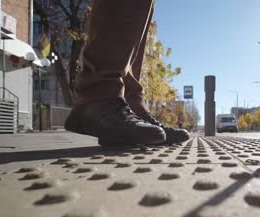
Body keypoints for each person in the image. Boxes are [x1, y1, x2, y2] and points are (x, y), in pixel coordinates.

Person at [65, 0, 189, 145]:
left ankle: (130, 102)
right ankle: (100, 95)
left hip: (122, 98)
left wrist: (135, 103)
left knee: (143, 7)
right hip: (98, 96)